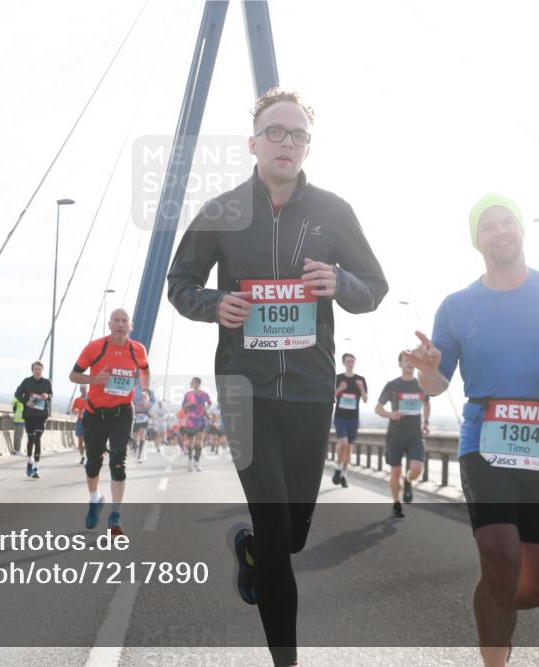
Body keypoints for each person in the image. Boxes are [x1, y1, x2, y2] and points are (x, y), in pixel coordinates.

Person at [167, 88, 388, 667]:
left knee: (290, 536)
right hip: (244, 389)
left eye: (297, 135)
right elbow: (180, 284)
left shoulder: (334, 212)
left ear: (308, 147)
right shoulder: (220, 212)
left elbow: (375, 289)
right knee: (273, 525)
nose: (286, 143)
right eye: (275, 132)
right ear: (253, 142)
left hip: (311, 391)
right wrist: (215, 304)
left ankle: (254, 553)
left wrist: (341, 282)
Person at [408, 193, 539, 667]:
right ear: (476, 241)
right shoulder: (457, 305)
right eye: (488, 227)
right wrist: (426, 369)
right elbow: (436, 385)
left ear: (521, 229)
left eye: (507, 222)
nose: (500, 232)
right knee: (500, 556)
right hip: (486, 439)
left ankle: (491, 601)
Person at [69, 308, 150, 536]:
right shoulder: (95, 347)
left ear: (130, 326)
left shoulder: (138, 350)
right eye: (116, 320)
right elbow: (73, 375)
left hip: (122, 414)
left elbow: (145, 368)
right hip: (95, 414)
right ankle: (95, 499)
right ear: (109, 324)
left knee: (118, 460)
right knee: (93, 463)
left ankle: (115, 516)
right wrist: (94, 379)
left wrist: (145, 389)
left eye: (124, 321)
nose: (120, 324)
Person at [375, 351, 430, 517]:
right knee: (395, 471)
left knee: (417, 468)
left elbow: (427, 404)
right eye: (406, 359)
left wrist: (426, 422)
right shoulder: (392, 385)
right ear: (399, 364)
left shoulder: (422, 384)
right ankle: (396, 502)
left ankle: (408, 481)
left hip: (415, 435)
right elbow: (378, 408)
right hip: (396, 434)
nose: (410, 362)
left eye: (412, 359)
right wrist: (391, 414)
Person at [332, 352, 368, 488]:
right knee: (343, 443)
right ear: (343, 363)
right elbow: (331, 396)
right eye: (348, 361)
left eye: (352, 361)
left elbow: (365, 399)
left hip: (353, 419)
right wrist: (340, 389)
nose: (350, 364)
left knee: (348, 448)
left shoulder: (360, 379)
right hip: (340, 417)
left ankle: (344, 474)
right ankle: (338, 467)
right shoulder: (338, 378)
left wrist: (361, 388)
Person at [14, 361, 52, 479]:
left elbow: (50, 395)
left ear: (42, 370)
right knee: (30, 439)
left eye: (40, 369)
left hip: (41, 415)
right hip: (29, 415)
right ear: (32, 370)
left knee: (37, 438)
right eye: (35, 369)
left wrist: (47, 396)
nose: (38, 371)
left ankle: (36, 467)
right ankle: (29, 460)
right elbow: (17, 394)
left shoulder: (46, 382)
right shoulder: (26, 381)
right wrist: (26, 401)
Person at [182, 377, 211, 471]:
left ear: (197, 383)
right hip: (190, 421)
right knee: (191, 443)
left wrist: (206, 407)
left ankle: (197, 461)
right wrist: (187, 405)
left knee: (199, 442)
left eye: (192, 382)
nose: (190, 383)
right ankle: (190, 460)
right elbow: (183, 408)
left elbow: (209, 403)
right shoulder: (187, 395)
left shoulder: (204, 394)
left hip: (201, 420)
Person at [132, 382, 155, 463]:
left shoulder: (150, 392)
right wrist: (136, 406)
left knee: (142, 436)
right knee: (135, 437)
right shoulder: (134, 389)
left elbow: (152, 404)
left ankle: (139, 456)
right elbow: (131, 403)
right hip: (136, 417)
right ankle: (135, 446)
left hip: (145, 417)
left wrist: (146, 405)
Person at [71, 385, 90, 465]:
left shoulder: (90, 399)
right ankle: (83, 457)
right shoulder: (77, 400)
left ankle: (89, 456)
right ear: (80, 390)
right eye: (81, 389)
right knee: (80, 441)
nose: (83, 391)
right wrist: (75, 411)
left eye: (84, 389)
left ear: (87, 389)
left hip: (89, 422)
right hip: (80, 421)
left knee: (88, 441)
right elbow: (73, 410)